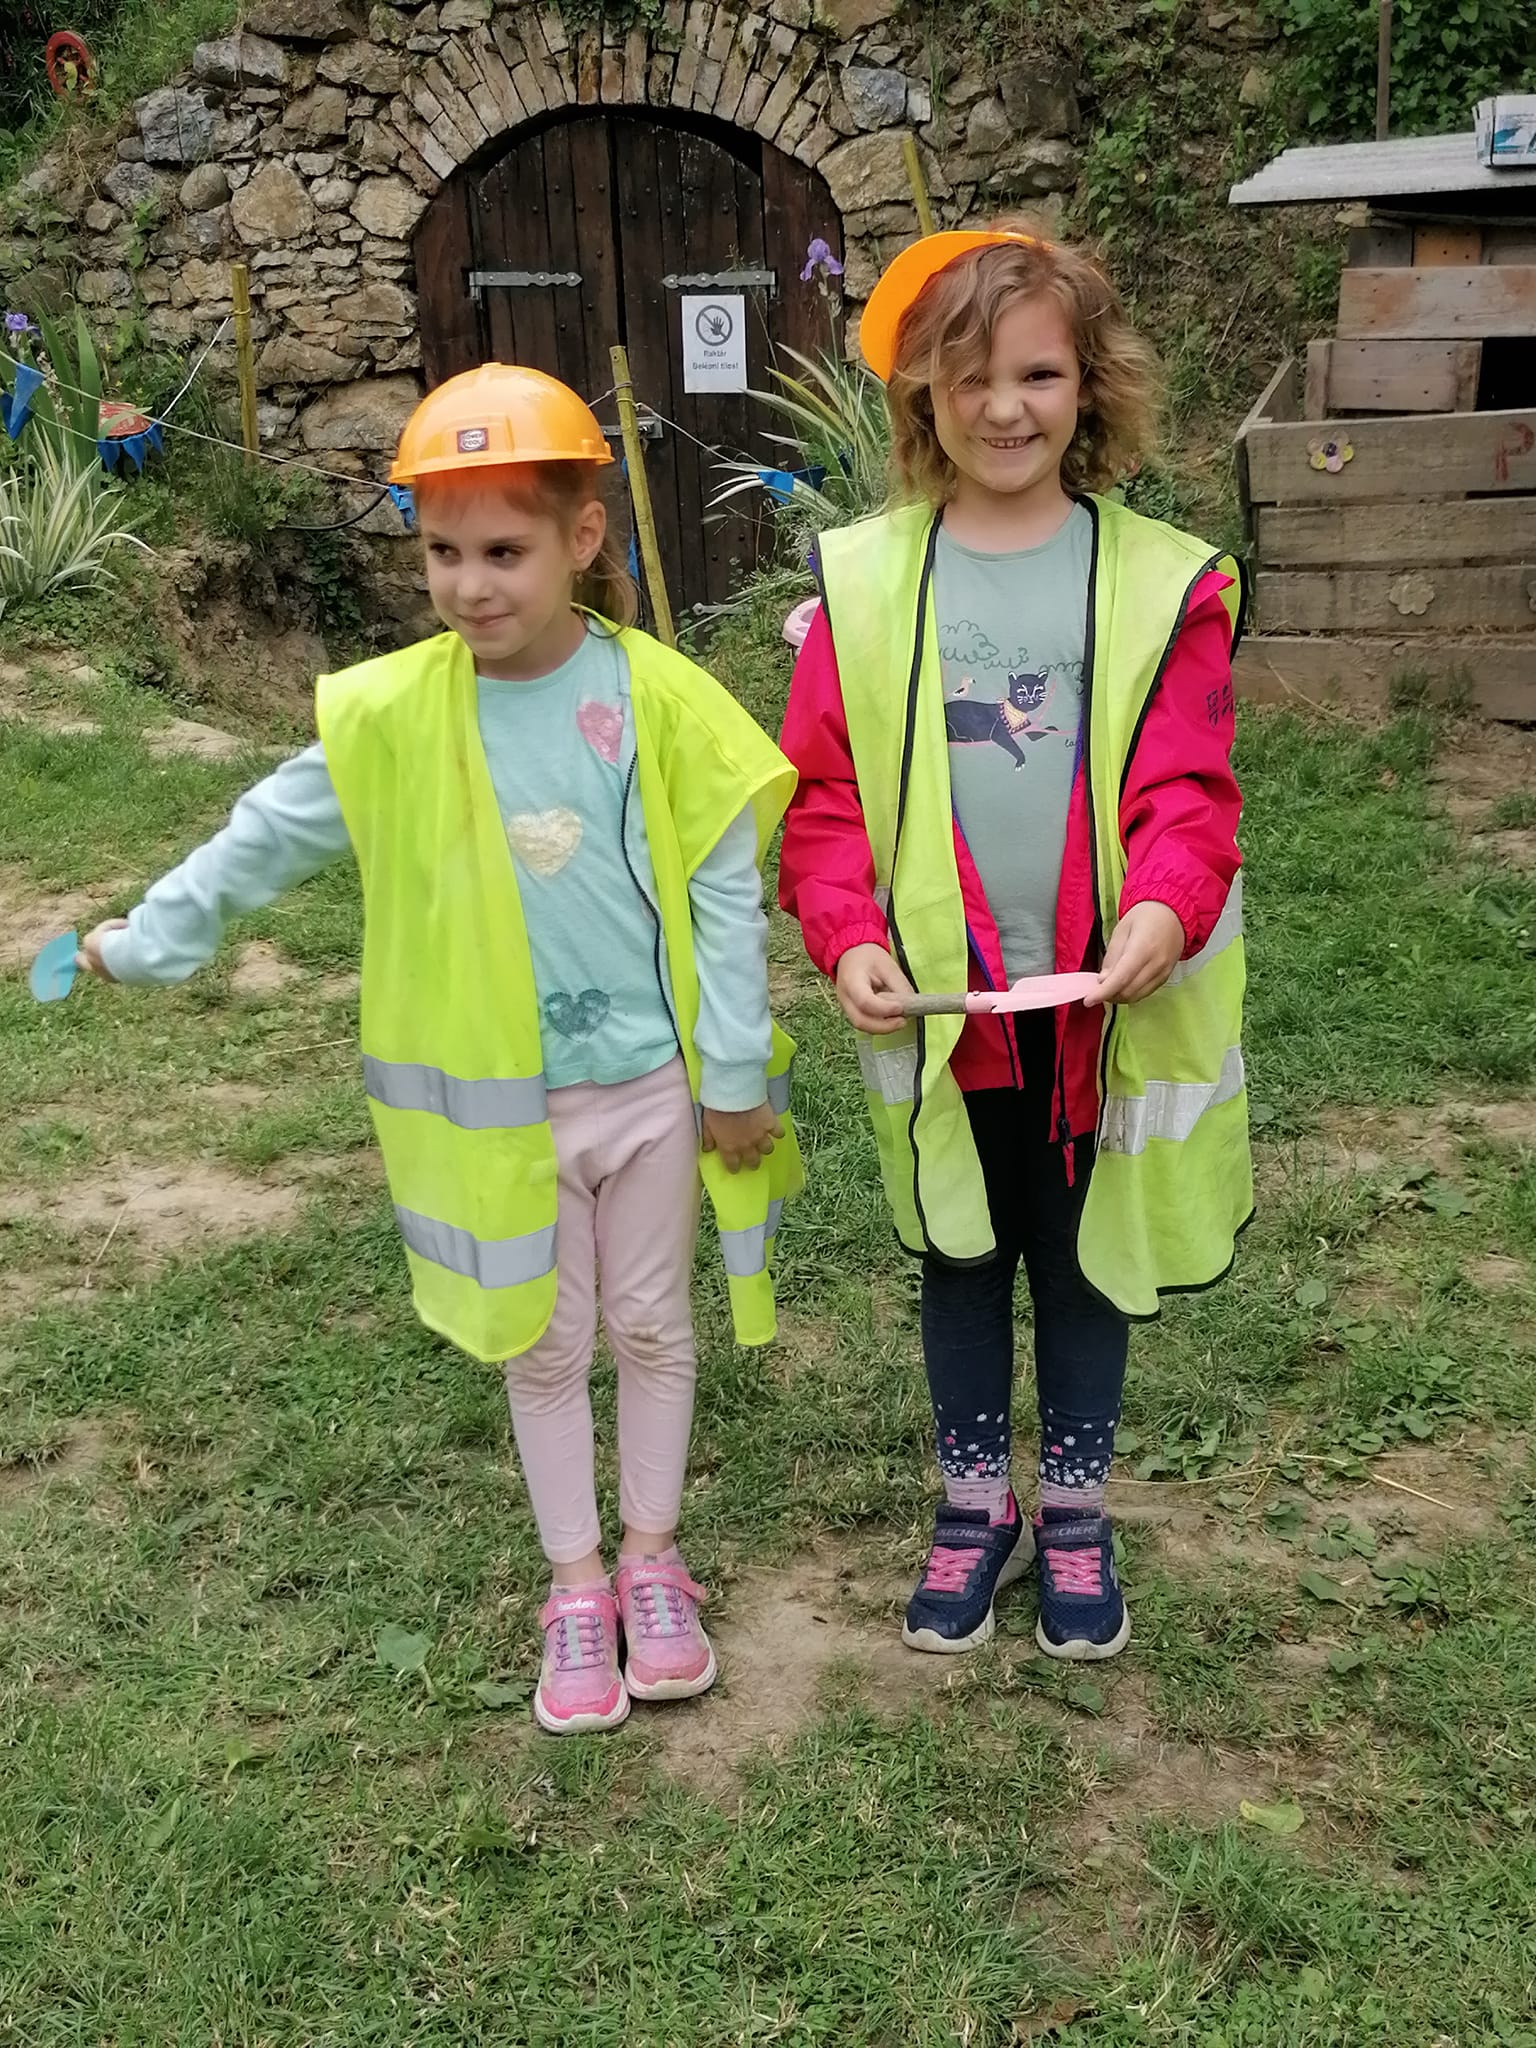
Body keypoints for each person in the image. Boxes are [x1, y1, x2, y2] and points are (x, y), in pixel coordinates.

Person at [77, 364, 803, 1734]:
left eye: (504, 552)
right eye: (443, 553)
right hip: (504, 1117)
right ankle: (576, 1587)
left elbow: (723, 890)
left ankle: (654, 1563)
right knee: (544, 1340)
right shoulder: (396, 716)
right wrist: (153, 938)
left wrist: (733, 1076)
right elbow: (262, 836)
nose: (469, 586)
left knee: (652, 1324)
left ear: (581, 539)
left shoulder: (658, 697)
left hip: (653, 1095)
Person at [778, 225, 1248, 1663]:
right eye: (968, 377)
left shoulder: (1163, 582)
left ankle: (1080, 1513)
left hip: (1104, 1005)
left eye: (1037, 373)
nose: (1003, 407)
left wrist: (1165, 904)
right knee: (964, 1252)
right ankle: (974, 1505)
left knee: (1085, 1253)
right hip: (946, 1011)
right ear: (921, 393)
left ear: (1089, 382)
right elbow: (825, 797)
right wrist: (845, 934)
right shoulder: (863, 583)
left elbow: (1187, 790)